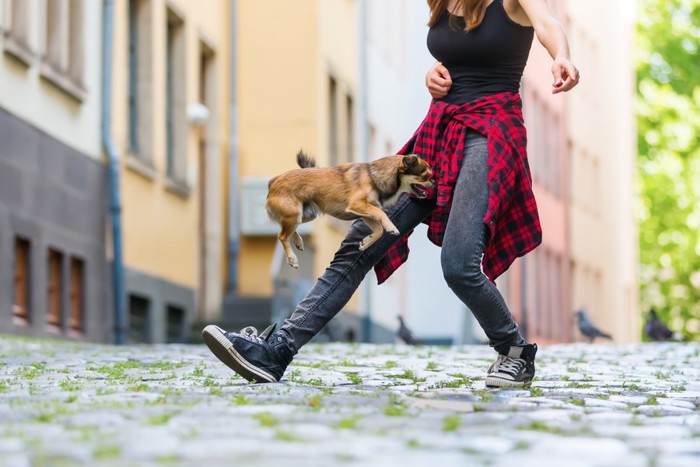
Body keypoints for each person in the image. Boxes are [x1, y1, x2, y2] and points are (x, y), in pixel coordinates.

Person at [202, 0, 579, 388]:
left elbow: (548, 23)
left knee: (459, 263)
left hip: (489, 133)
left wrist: (561, 56)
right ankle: (277, 350)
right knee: (360, 245)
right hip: (439, 130)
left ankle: (513, 351)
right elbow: (457, 54)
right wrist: (433, 75)